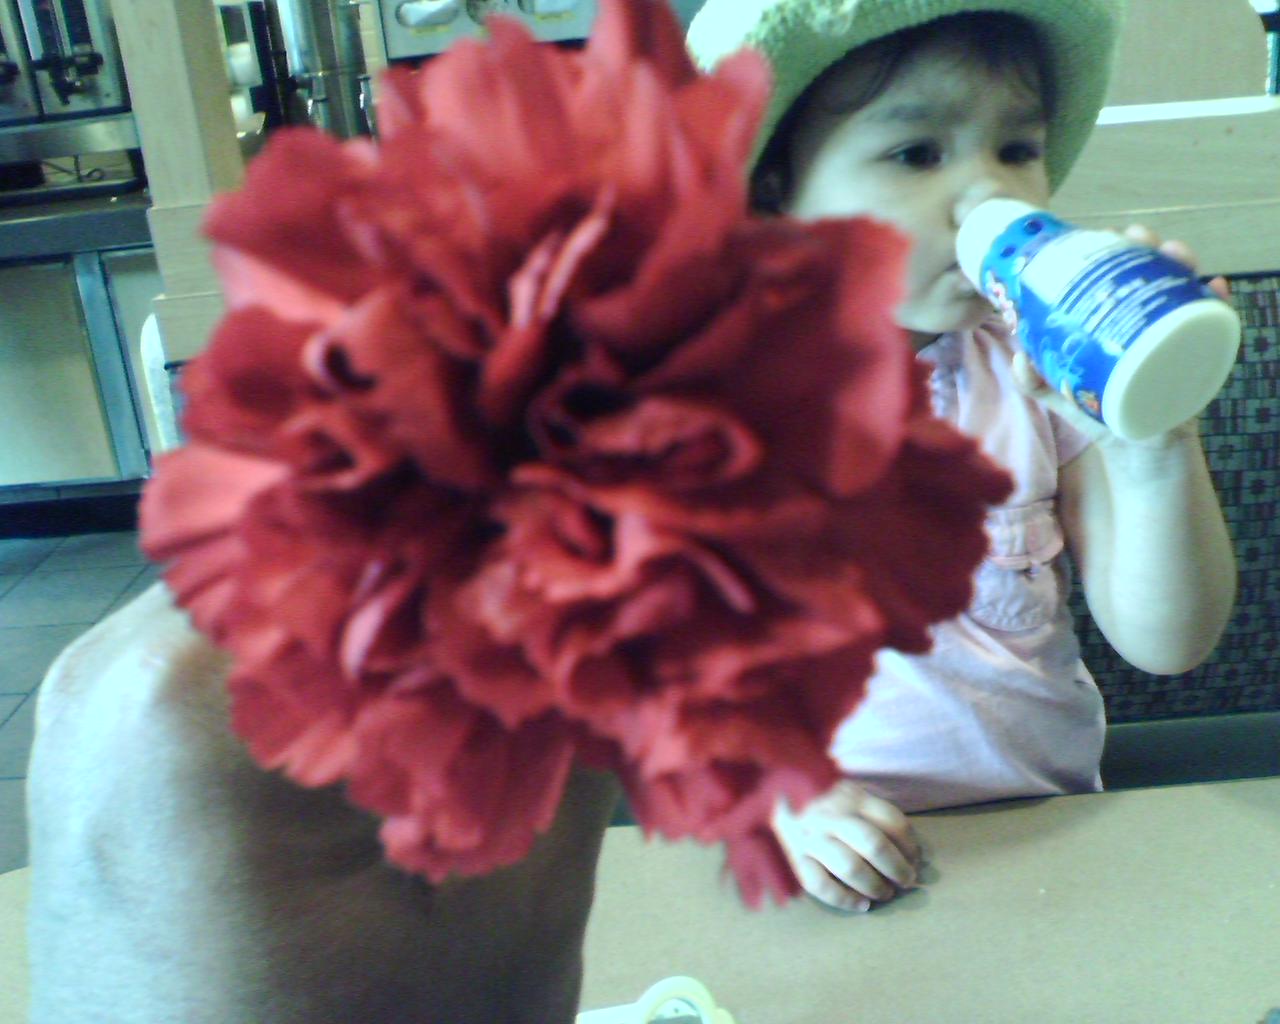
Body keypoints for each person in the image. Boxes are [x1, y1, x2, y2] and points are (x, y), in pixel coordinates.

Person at [687, 0, 1237, 913]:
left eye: (1017, 149)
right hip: (815, 858)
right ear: (778, 188)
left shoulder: (1034, 374)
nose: (989, 194)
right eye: (917, 154)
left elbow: (1170, 644)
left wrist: (1153, 441)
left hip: (1049, 836)